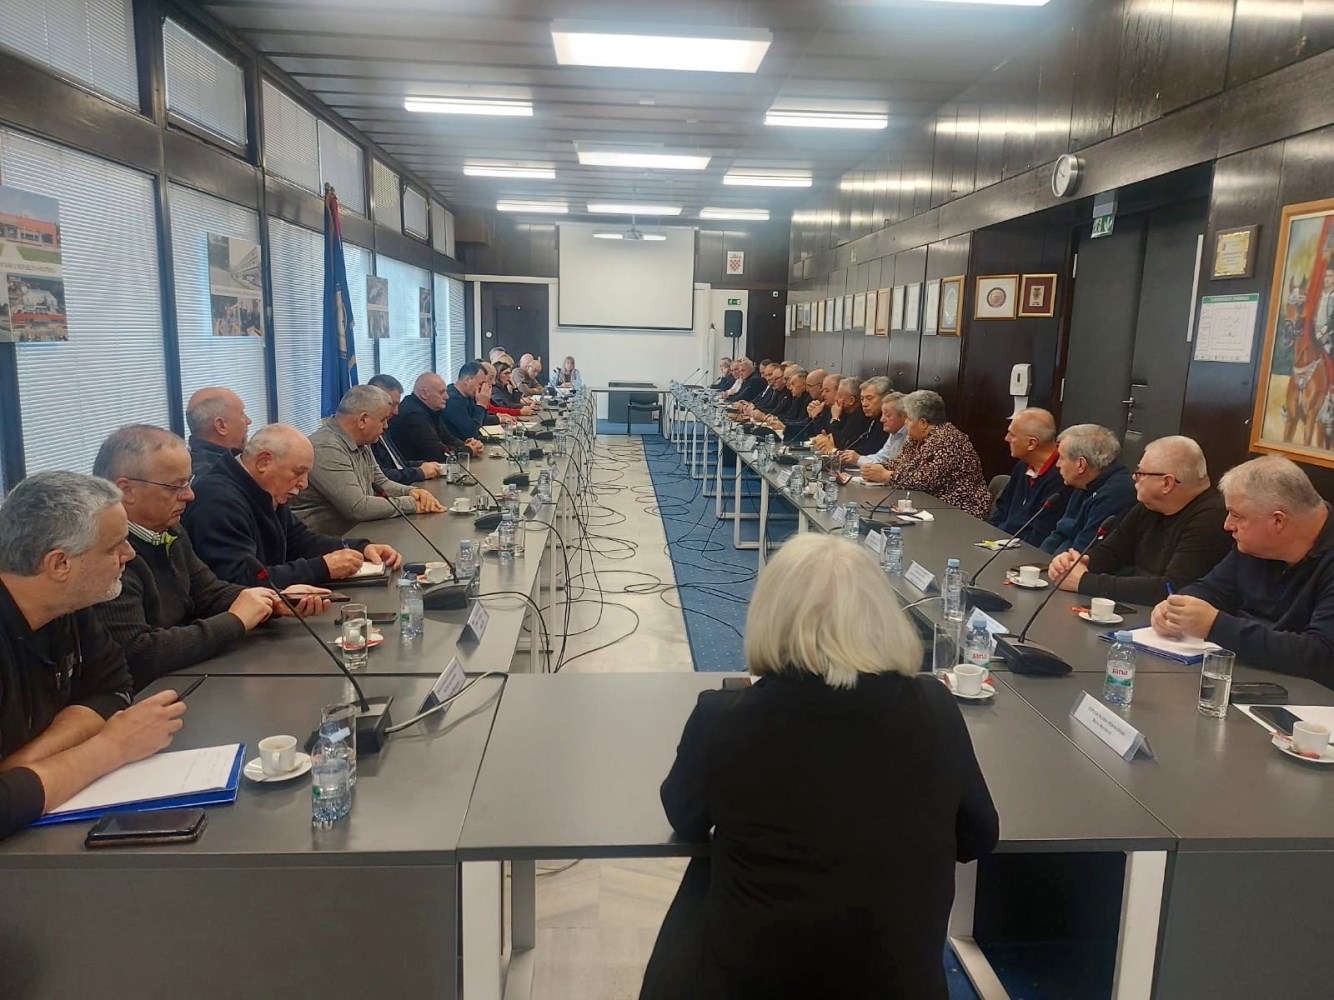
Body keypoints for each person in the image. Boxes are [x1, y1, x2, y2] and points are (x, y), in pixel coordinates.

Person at [641, 533, 997, 998]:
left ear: (770, 616)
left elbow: (684, 818)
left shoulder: (722, 717)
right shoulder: (935, 706)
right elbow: (978, 836)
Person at [0, 472, 189, 839]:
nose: (130, 555)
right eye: (114, 547)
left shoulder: (68, 604)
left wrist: (25, 764)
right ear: (59, 564)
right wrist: (109, 748)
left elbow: (112, 687)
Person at [91, 425, 330, 690]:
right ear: (126, 490)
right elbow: (141, 653)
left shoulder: (170, 530)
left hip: (188, 676)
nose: (190, 495)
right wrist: (235, 620)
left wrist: (274, 601)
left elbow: (208, 592)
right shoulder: (106, 556)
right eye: (175, 486)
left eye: (188, 482)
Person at [1152, 456, 1334, 685]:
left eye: (1237, 516)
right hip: (1251, 673)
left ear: (1278, 521)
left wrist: (1215, 625)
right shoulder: (1255, 545)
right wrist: (1177, 607)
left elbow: (1322, 655)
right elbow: (1212, 589)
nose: (1227, 525)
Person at [183, 423, 402, 588]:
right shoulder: (218, 501)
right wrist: (322, 568)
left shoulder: (264, 489)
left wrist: (358, 548)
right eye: (298, 472)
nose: (303, 484)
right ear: (263, 462)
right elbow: (239, 580)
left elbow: (299, 541)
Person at [1049, 435, 1230, 603]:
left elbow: (1172, 588)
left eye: (1141, 473)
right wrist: (1078, 562)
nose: (1134, 477)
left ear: (1167, 483)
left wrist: (1085, 582)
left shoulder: (1211, 518)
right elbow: (1112, 552)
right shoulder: (1149, 506)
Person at [289, 385, 445, 536]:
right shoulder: (326, 447)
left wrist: (412, 491)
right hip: (326, 544)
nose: (386, 426)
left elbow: (380, 482)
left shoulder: (362, 441)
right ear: (363, 420)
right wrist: (413, 503)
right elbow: (358, 508)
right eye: (383, 420)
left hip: (359, 533)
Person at [861, 390, 992, 518]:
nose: (905, 422)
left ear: (923, 423)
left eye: (908, 418)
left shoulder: (947, 440)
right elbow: (901, 464)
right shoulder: (915, 438)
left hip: (960, 510)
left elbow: (924, 480)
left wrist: (885, 475)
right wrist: (876, 469)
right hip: (929, 505)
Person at [1039, 424, 1136, 554]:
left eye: (1061, 458)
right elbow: (1061, 532)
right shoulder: (1084, 483)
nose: (1057, 464)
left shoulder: (1117, 493)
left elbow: (1085, 549)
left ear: (1081, 464)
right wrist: (1038, 559)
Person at [988, 408, 1071, 546]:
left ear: (1031, 443)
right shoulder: (1022, 466)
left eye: (1012, 435)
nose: (1006, 438)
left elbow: (1041, 534)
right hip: (1000, 544)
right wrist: (991, 537)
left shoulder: (1062, 477)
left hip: (1024, 551)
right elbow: (1000, 510)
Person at [366, 374, 443, 484]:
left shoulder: (384, 426)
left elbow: (398, 463)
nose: (396, 411)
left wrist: (423, 465)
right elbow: (378, 476)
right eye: (393, 405)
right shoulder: (367, 433)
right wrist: (419, 472)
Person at [386, 371, 481, 461]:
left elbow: (448, 438)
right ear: (424, 394)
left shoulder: (432, 409)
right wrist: (468, 450)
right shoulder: (412, 415)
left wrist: (464, 445)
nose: (447, 396)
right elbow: (437, 453)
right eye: (441, 392)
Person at [185, 386, 252, 476]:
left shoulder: (190, 463)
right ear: (221, 426)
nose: (249, 421)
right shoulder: (219, 476)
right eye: (242, 414)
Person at [831, 375, 891, 463]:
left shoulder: (885, 422)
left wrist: (833, 450)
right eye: (862, 399)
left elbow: (870, 451)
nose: (864, 404)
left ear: (886, 397)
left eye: (869, 398)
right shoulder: (873, 419)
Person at [846, 392, 908, 467]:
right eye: (882, 414)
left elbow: (897, 467)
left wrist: (858, 460)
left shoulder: (911, 436)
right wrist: (855, 458)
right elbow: (880, 458)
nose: (882, 419)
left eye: (888, 415)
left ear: (904, 416)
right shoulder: (894, 433)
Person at [445, 362, 503, 441]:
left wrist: (485, 403)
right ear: (468, 380)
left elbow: (481, 421)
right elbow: (471, 433)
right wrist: (481, 405)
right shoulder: (452, 399)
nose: (481, 387)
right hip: (459, 445)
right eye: (480, 384)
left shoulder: (468, 395)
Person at [812, 377, 864, 454]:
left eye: (839, 396)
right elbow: (825, 434)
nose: (835, 398)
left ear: (851, 400)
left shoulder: (859, 417)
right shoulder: (843, 411)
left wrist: (835, 418)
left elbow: (840, 444)